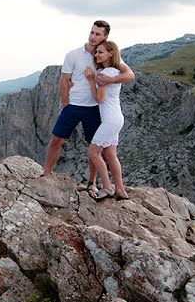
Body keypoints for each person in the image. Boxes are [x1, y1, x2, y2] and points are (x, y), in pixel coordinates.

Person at [41, 20, 134, 195]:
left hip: (95, 109)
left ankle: (92, 182)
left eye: (98, 34)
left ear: (105, 37)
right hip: (73, 105)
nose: (93, 36)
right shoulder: (73, 55)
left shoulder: (106, 56)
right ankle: (46, 173)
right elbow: (64, 80)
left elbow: (130, 75)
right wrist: (65, 103)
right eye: (92, 32)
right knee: (56, 140)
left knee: (93, 146)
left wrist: (110, 80)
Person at [84, 40, 128, 200]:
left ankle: (108, 187)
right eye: (96, 52)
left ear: (111, 53)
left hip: (109, 119)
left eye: (100, 52)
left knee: (93, 152)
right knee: (110, 154)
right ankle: (121, 190)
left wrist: (90, 80)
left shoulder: (104, 74)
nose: (96, 55)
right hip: (117, 117)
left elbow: (99, 99)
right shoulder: (116, 71)